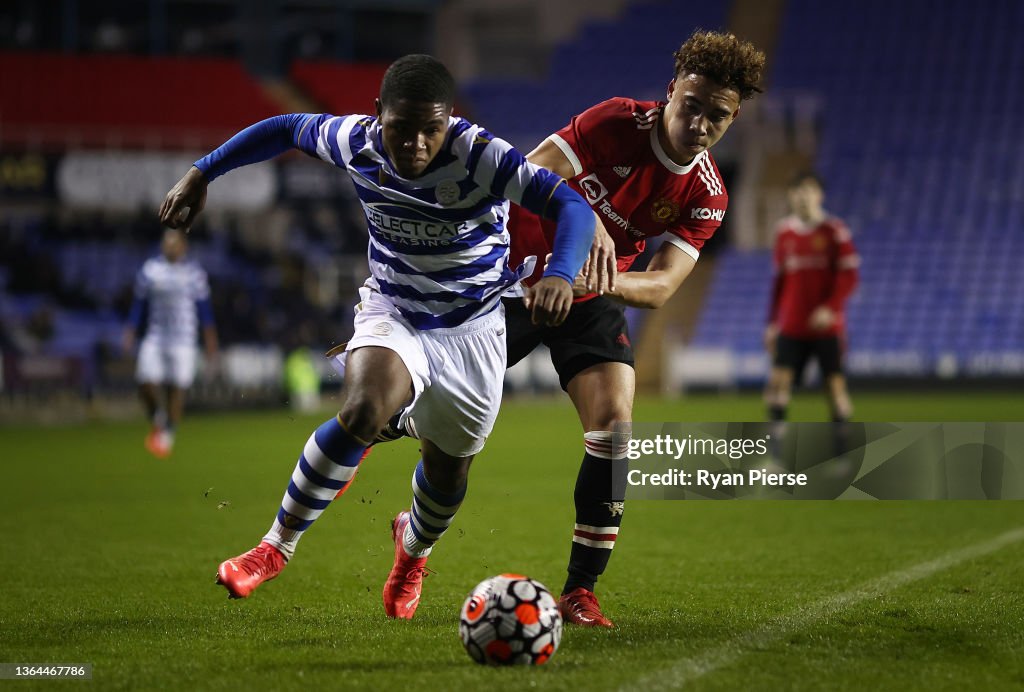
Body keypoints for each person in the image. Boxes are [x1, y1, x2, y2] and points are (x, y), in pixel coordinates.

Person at [158, 54, 595, 616]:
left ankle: (412, 552)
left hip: (474, 326)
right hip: (395, 310)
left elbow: (569, 204)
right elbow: (285, 127)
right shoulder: (356, 141)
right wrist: (202, 172)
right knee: (364, 409)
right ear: (377, 115)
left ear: (449, 121)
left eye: (430, 130)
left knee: (447, 472)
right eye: (401, 128)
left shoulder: (482, 156)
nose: (414, 144)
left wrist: (560, 273)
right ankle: (273, 547)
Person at [382, 30, 766, 627]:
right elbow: (530, 171)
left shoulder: (707, 195)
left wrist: (600, 280)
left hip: (589, 296)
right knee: (444, 440)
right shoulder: (615, 122)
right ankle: (415, 544)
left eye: (717, 117)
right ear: (671, 92)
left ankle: (580, 592)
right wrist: (584, 225)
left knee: (615, 429)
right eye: (691, 106)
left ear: (734, 118)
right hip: (514, 276)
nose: (699, 124)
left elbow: (661, 287)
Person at [763, 171, 860, 436]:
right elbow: (778, 283)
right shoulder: (784, 232)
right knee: (777, 385)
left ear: (820, 195)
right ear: (790, 196)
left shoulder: (834, 231)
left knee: (834, 388)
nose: (803, 197)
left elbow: (849, 276)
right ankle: (776, 458)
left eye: (809, 191)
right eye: (797, 191)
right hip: (792, 326)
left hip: (826, 328)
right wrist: (772, 324)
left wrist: (831, 307)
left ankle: (842, 456)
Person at [123, 228, 218, 458]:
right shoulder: (150, 271)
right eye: (167, 243)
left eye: (175, 243)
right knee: (145, 383)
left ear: (183, 246)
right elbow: (139, 305)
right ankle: (159, 419)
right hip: (156, 337)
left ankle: (168, 434)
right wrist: (130, 331)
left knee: (176, 388)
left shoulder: (194, 273)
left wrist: (210, 339)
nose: (170, 247)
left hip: (184, 340)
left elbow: (205, 311)